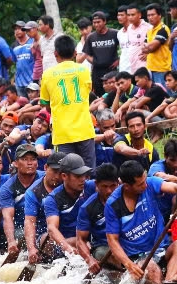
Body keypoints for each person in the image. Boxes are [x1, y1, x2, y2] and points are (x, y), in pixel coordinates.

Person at [104, 160, 177, 284]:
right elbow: (112, 240)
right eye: (140, 184)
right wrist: (129, 265)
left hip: (160, 249)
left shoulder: (150, 183)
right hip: (137, 257)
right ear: (127, 186)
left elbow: (173, 187)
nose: (145, 185)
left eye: (144, 180)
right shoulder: (113, 204)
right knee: (152, 267)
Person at [41, 35, 95, 168]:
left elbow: (45, 104)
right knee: (89, 170)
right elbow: (88, 91)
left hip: (62, 132)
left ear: (55, 53)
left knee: (66, 172)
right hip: (84, 129)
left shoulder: (47, 74)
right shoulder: (84, 70)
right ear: (75, 52)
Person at [41, 153, 96, 258]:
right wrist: (68, 249)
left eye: (84, 175)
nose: (83, 179)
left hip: (87, 238)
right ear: (64, 176)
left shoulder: (91, 186)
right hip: (66, 241)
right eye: (78, 176)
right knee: (45, 239)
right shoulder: (53, 199)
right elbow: (52, 228)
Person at [0, 144, 42, 258]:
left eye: (33, 159)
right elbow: (7, 218)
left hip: (44, 225)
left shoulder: (45, 179)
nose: (30, 163)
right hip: (21, 229)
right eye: (25, 159)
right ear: (15, 163)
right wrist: (11, 241)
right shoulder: (7, 189)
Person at [75, 163, 118, 274]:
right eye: (104, 186)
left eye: (113, 186)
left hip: (127, 243)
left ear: (118, 183)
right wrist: (89, 260)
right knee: (109, 254)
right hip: (104, 248)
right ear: (96, 185)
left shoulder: (126, 197)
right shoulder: (87, 208)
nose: (109, 191)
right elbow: (80, 240)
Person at [82, 11, 120, 91]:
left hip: (111, 70)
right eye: (94, 22)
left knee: (113, 93)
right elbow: (86, 54)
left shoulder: (115, 33)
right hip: (97, 71)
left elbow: (125, 47)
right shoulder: (91, 37)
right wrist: (94, 61)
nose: (96, 24)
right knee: (98, 94)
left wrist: (119, 60)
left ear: (104, 21)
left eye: (98, 22)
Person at [142, 3, 172, 84]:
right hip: (151, 68)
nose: (150, 17)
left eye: (152, 15)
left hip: (161, 69)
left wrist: (148, 47)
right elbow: (143, 48)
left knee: (163, 94)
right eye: (148, 15)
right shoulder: (149, 30)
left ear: (160, 15)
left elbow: (152, 48)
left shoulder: (163, 29)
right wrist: (148, 47)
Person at [126, 4, 152, 73]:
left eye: (133, 15)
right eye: (128, 15)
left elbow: (155, 44)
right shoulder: (129, 28)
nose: (130, 17)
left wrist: (148, 54)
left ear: (139, 15)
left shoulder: (148, 27)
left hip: (144, 64)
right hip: (132, 65)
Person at [9, 22, 35, 92]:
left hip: (32, 81)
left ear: (25, 30)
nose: (17, 31)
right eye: (15, 29)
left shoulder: (33, 42)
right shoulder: (14, 46)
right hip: (19, 83)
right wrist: (14, 78)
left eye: (20, 29)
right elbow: (17, 63)